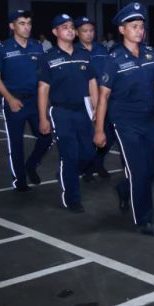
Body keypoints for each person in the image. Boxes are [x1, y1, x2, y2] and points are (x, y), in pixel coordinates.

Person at [95, 2, 154, 235]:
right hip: (125, 123)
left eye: (141, 26)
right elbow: (103, 96)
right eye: (134, 26)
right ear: (122, 30)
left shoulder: (150, 54)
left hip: (150, 120)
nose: (139, 31)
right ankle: (143, 220)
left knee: (152, 167)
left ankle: (124, 189)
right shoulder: (113, 59)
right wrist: (99, 129)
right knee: (138, 170)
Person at [37, 14, 98, 213]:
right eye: (65, 27)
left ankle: (65, 173)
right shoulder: (48, 58)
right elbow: (43, 89)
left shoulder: (83, 54)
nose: (70, 30)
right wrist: (43, 118)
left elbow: (92, 82)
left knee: (89, 153)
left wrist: (97, 108)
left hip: (83, 111)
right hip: (61, 112)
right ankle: (72, 199)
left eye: (72, 27)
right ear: (55, 32)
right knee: (69, 155)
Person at [0, 10, 54, 192]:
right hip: (14, 101)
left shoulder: (37, 46)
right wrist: (10, 99)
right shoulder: (2, 48)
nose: (27, 27)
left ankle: (31, 164)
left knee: (46, 137)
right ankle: (20, 180)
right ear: (12, 26)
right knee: (16, 143)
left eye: (29, 23)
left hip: (35, 100)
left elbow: (44, 76)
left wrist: (46, 100)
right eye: (22, 23)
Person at [74, 16, 113, 181]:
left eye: (91, 30)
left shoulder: (102, 49)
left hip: (104, 97)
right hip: (83, 99)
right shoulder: (73, 51)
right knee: (87, 136)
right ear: (77, 33)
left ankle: (98, 162)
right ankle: (87, 168)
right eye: (85, 31)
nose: (89, 34)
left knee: (108, 134)